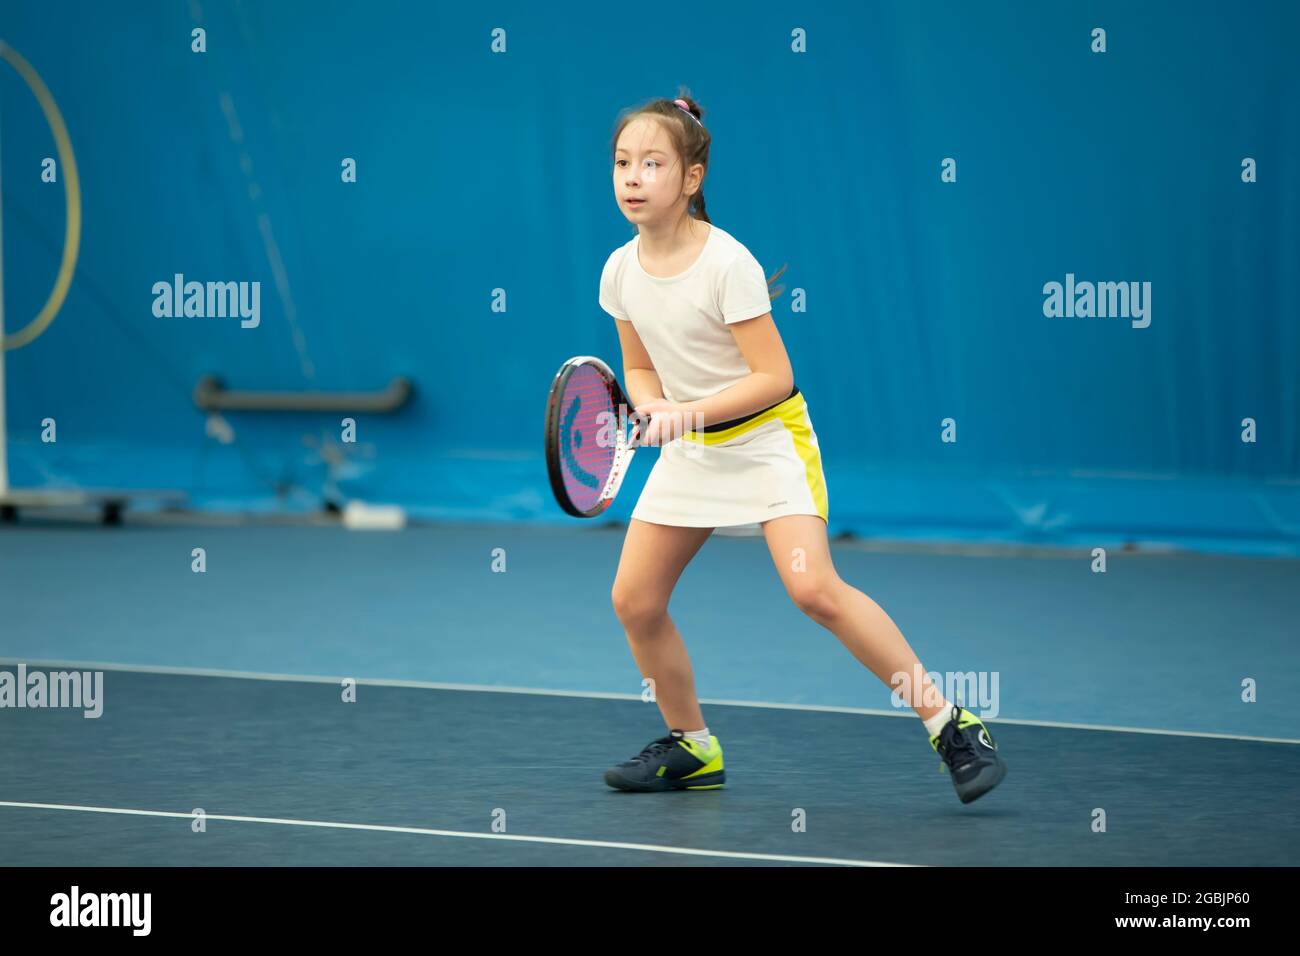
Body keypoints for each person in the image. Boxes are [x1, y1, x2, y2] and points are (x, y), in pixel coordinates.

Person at [598, 90, 1006, 804]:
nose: (633, 177)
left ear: (691, 179)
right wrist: (654, 402)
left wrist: (684, 412)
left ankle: (951, 724)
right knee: (634, 599)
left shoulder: (729, 264)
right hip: (690, 450)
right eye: (623, 163)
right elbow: (636, 364)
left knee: (814, 590)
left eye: (652, 163)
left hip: (766, 443)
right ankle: (693, 747)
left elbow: (773, 376)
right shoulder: (620, 270)